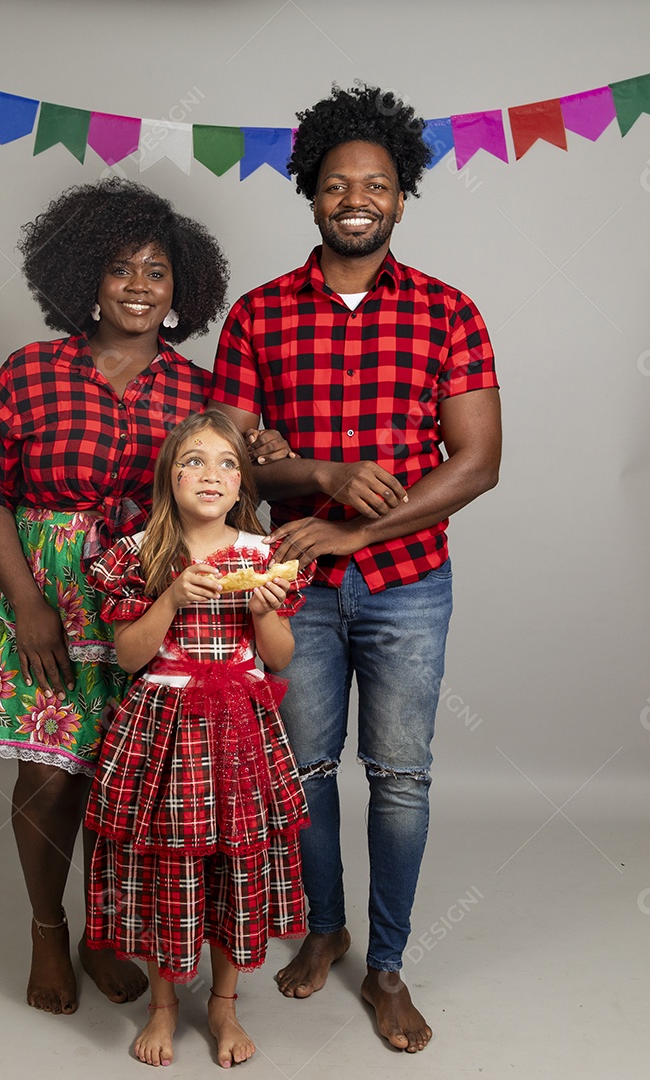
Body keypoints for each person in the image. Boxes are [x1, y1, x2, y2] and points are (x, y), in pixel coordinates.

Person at [210, 84, 502, 1053]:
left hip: (408, 583)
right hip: (292, 585)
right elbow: (228, 459)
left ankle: (385, 967)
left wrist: (353, 533)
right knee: (302, 770)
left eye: (376, 183)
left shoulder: (448, 312)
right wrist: (321, 472)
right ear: (312, 193)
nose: (357, 197)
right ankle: (323, 924)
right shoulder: (255, 316)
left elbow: (478, 462)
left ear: (402, 197)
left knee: (402, 777)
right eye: (338, 183)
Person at [0, 178, 290, 1016]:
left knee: (130, 780)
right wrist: (27, 602)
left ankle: (103, 936)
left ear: (184, 290)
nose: (140, 285)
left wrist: (268, 446)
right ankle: (45, 929)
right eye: (120, 268)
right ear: (84, 279)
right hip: (50, 600)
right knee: (51, 783)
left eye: (157, 271)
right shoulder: (30, 372)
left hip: (151, 598)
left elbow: (238, 478)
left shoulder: (200, 392)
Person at [83, 409, 311, 1068]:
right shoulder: (140, 553)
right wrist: (173, 599)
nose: (211, 474)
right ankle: (162, 1004)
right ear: (167, 476)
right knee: (168, 862)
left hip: (239, 725)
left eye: (226, 463)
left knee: (234, 859)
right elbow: (127, 656)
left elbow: (281, 655)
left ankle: (224, 1002)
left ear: (243, 484)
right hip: (165, 725)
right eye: (193, 461)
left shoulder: (261, 555)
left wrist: (264, 611)